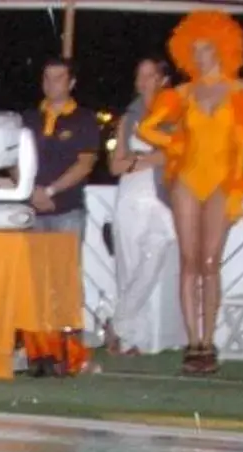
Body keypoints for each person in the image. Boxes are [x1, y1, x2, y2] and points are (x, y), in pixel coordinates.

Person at [141, 11, 243, 378]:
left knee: (211, 263)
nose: (201, 56)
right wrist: (175, 145)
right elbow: (148, 128)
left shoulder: (241, 89)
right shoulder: (181, 93)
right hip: (188, 181)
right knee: (189, 261)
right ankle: (192, 340)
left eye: (207, 48)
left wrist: (238, 184)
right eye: (194, 50)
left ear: (224, 49)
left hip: (223, 182)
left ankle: (209, 339)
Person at [105, 57, 184, 356]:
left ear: (163, 79)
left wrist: (140, 161)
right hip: (130, 193)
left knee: (154, 254)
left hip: (162, 196)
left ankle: (118, 324)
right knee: (128, 264)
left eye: (150, 76)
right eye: (140, 76)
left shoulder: (176, 112)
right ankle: (129, 339)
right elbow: (115, 165)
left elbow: (178, 153)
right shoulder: (129, 117)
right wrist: (148, 160)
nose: (144, 81)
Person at [28, 59, 101, 241]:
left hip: (67, 211)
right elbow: (14, 159)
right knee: (32, 269)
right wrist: (31, 191)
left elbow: (85, 164)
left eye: (58, 78)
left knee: (65, 268)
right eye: (47, 78)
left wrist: (49, 192)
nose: (51, 84)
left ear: (72, 83)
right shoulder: (29, 118)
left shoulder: (85, 119)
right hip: (30, 210)